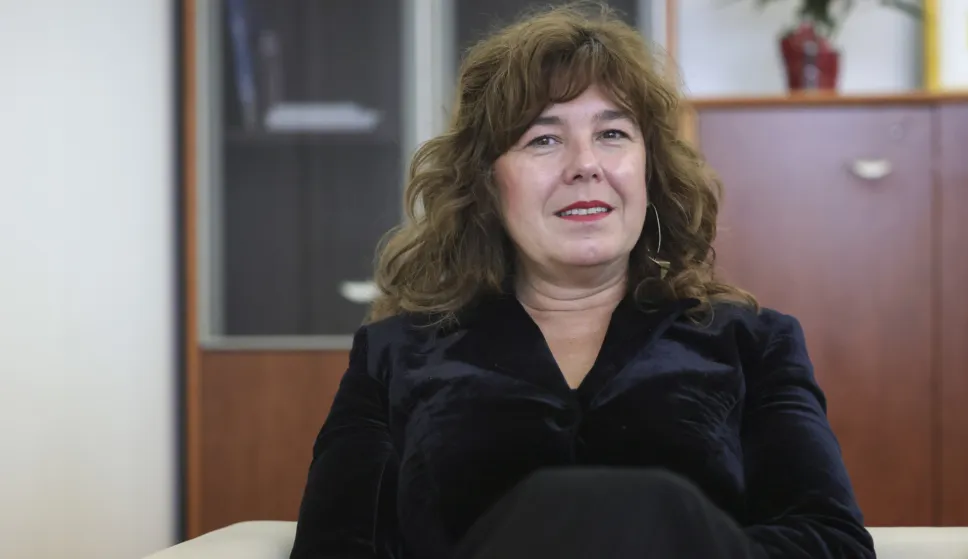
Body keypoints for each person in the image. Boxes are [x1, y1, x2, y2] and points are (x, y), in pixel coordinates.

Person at [289, 4, 875, 559]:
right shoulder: (393, 355)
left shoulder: (754, 344)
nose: (585, 164)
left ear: (649, 170)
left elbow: (832, 542)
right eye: (543, 139)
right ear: (487, 184)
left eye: (612, 134)